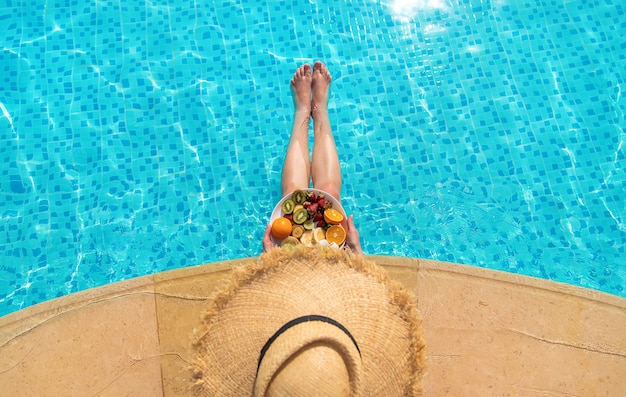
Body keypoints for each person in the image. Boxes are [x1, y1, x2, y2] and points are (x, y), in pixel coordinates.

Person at [262, 62, 363, 254]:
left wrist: (270, 256)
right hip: (334, 263)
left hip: (295, 266)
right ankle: (319, 110)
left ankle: (302, 112)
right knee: (330, 191)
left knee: (291, 193)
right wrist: (354, 248)